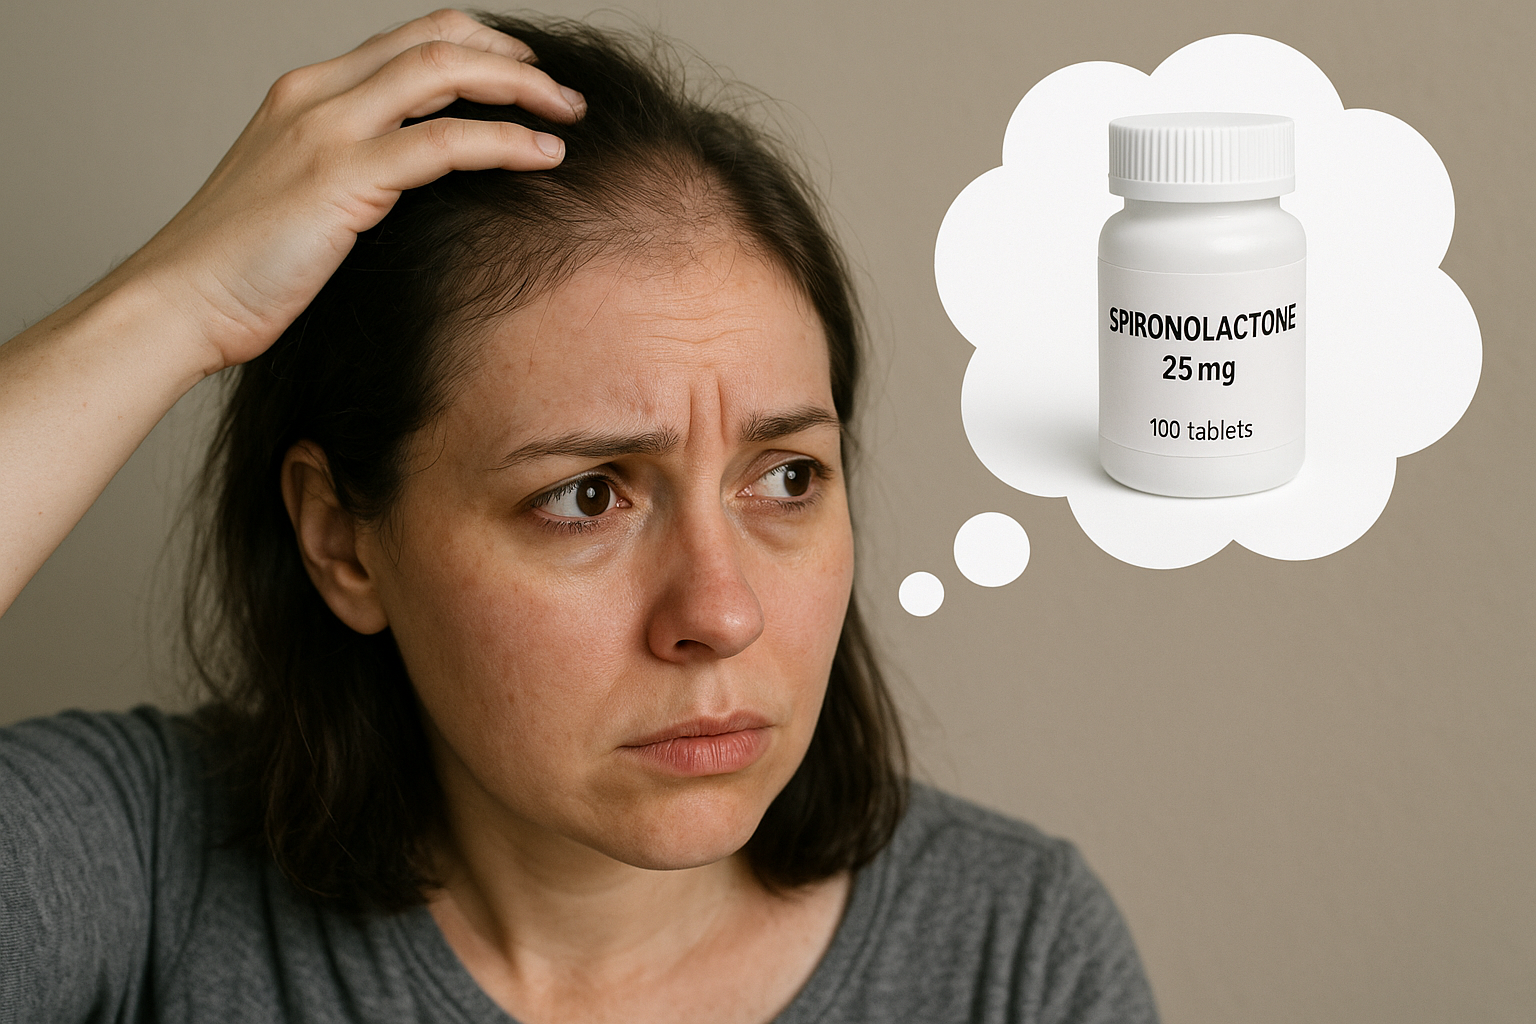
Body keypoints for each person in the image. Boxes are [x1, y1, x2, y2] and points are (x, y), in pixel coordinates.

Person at [0, 10, 1160, 1023]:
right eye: (587, 495)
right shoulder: (142, 871)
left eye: (787, 476)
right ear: (342, 538)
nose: (721, 612)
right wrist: (176, 300)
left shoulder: (1014, 954)